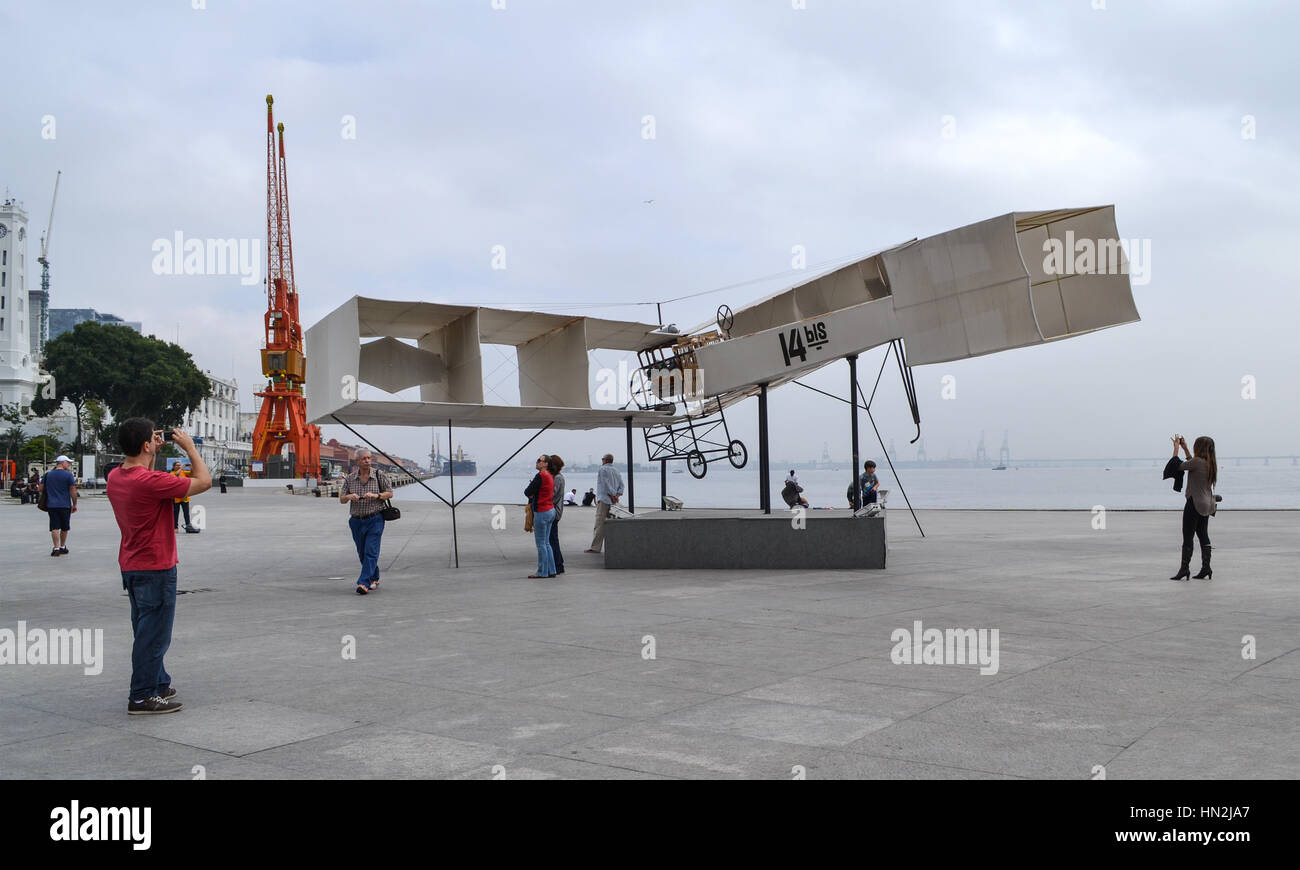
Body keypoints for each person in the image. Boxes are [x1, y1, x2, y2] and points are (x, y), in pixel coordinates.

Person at [107, 420, 211, 715]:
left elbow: (143, 475)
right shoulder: (149, 482)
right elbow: (204, 482)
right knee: (154, 635)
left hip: (132, 564)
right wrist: (190, 448)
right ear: (145, 445)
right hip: (156, 566)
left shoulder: (117, 476)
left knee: (144, 628)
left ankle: (158, 682)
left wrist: (149, 452)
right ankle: (141, 696)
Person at [339, 449, 393, 594]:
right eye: (364, 459)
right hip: (356, 521)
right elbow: (342, 499)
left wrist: (376, 495)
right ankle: (374, 577)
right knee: (362, 552)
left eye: (369, 458)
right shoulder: (350, 478)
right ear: (357, 461)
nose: (367, 461)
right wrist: (350, 496)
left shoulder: (378, 475)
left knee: (371, 551)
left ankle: (363, 582)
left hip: (375, 519)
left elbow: (390, 493)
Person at [1169, 434, 1217, 581]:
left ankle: (1184, 569)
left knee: (1188, 537)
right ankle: (1206, 568)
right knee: (1203, 534)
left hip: (1194, 502)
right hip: (1208, 503)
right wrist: (1185, 448)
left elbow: (1176, 465)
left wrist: (1176, 448)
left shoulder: (1197, 462)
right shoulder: (1210, 463)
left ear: (1199, 447)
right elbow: (1192, 462)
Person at [524, 453, 556, 578]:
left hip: (542, 511)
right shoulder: (549, 476)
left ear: (546, 464)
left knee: (541, 544)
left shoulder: (541, 475)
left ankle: (542, 572)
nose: (537, 462)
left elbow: (527, 491)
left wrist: (533, 495)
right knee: (547, 543)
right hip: (550, 510)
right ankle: (551, 570)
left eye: (540, 460)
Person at [585, 454, 624, 554]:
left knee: (599, 524)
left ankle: (595, 547)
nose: (601, 460)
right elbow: (621, 485)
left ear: (605, 460)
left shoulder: (602, 469)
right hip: (613, 501)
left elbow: (605, 483)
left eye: (602, 459)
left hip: (604, 499)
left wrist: (612, 495)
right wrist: (617, 496)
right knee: (613, 524)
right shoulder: (616, 470)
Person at [41, 455, 78, 557]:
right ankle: (62, 546)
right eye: (68, 462)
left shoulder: (48, 475)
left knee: (54, 526)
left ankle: (56, 548)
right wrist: (74, 503)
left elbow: (40, 488)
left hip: (51, 505)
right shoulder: (68, 475)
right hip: (65, 505)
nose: (69, 464)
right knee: (65, 527)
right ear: (62, 463)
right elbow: (73, 490)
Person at [547, 455, 568, 576]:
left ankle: (558, 565)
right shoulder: (556, 477)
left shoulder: (558, 478)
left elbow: (553, 495)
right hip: (554, 511)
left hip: (554, 511)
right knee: (552, 538)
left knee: (552, 539)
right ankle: (559, 562)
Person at [171, 462, 199, 533]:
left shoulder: (183, 472)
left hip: (185, 496)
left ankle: (188, 526)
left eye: (179, 465)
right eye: (177, 465)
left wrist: (191, 467)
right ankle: (175, 527)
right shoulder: (171, 473)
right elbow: (176, 474)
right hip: (176, 497)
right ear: (173, 466)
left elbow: (193, 474)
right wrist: (182, 467)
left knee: (186, 513)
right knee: (175, 513)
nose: (178, 466)